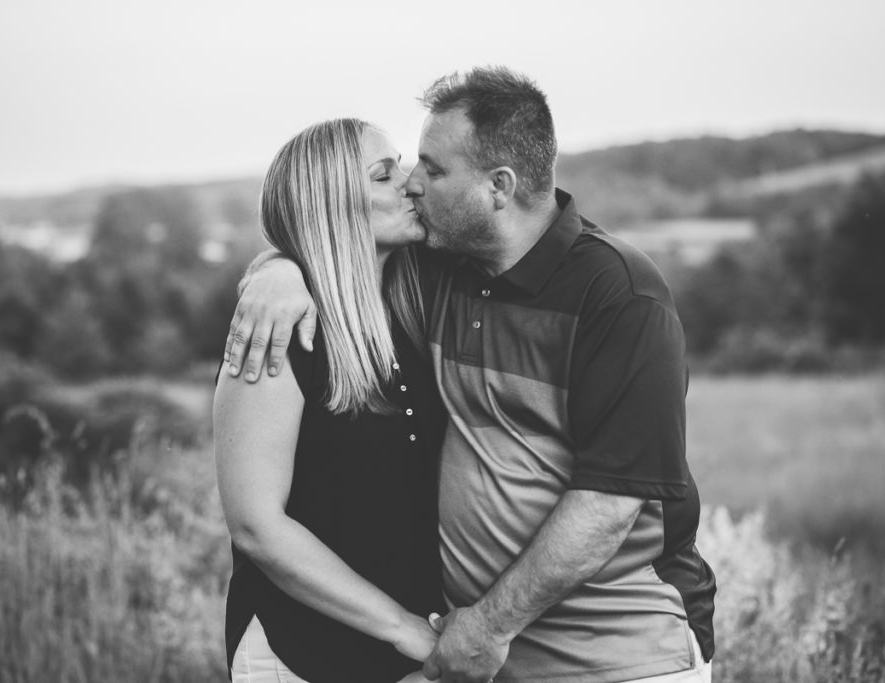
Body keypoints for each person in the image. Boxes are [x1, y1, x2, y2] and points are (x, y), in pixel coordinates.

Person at [226, 67, 717, 683]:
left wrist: (482, 628)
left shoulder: (612, 294)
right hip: (380, 655)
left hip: (614, 655)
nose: (413, 184)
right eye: (396, 171)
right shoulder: (410, 284)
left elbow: (611, 503)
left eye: (430, 169)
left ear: (498, 187)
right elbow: (255, 525)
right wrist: (276, 270)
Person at [213, 118, 447, 683]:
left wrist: (272, 267)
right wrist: (401, 626)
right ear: (332, 204)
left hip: (414, 659)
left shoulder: (420, 306)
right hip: (301, 655)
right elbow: (256, 527)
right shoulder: (281, 333)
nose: (410, 182)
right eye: (383, 174)